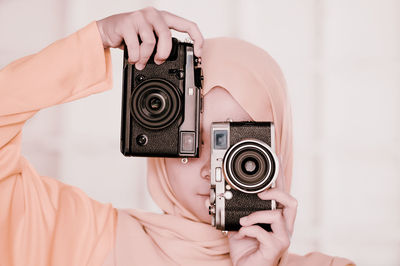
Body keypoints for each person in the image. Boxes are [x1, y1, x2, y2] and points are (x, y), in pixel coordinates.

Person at [0, 6, 355, 266]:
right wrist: (95, 40)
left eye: (235, 142)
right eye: (190, 140)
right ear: (158, 140)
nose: (209, 168)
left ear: (277, 146)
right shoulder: (76, 237)